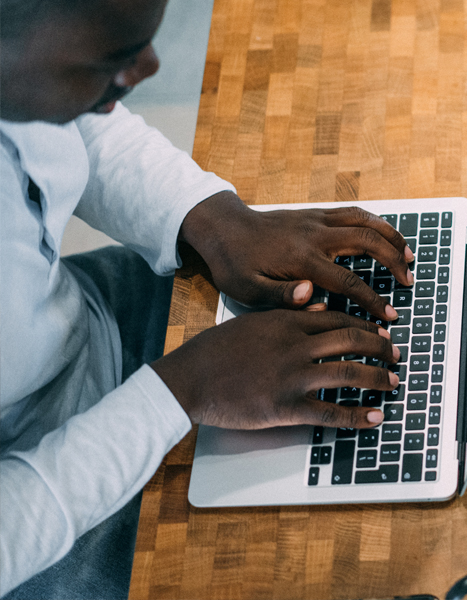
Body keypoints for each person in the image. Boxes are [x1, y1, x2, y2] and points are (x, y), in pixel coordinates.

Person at [0, 0, 414, 597]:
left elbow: (71, 111)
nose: (150, 67)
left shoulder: (31, 70)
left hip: (91, 329)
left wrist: (211, 218)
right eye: (113, 59)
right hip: (45, 517)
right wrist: (183, 390)